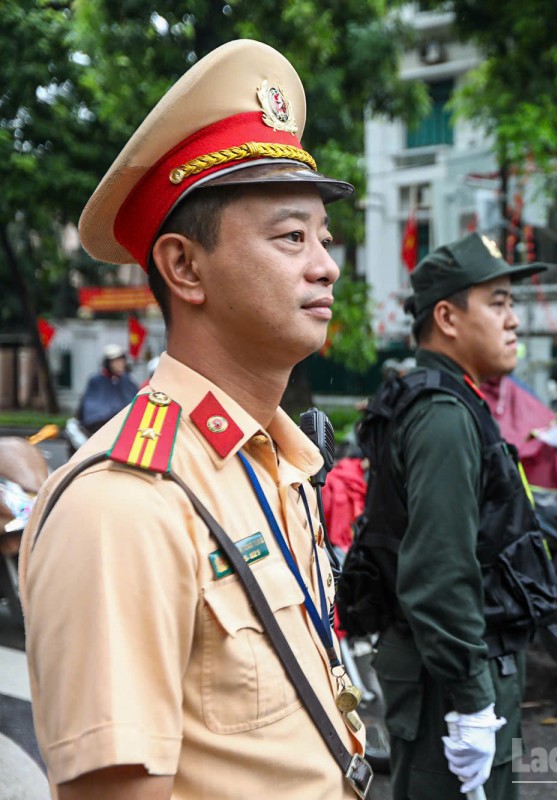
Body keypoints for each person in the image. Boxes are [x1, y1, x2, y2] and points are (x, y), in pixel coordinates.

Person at [19, 40, 368, 799]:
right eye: (290, 237)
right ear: (184, 268)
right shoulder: (125, 504)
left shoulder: (279, 463)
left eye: (324, 238)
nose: (326, 265)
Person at [365, 232, 550, 799]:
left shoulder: (445, 398)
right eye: (497, 302)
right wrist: (471, 703)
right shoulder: (443, 415)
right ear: (446, 316)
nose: (514, 319)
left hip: (445, 668)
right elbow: (439, 571)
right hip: (447, 681)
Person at [78, 344, 139, 434]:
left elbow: (135, 401)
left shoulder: (127, 380)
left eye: (122, 361)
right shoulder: (97, 380)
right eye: (116, 361)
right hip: (101, 427)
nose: (120, 364)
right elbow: (92, 406)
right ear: (108, 363)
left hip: (125, 426)